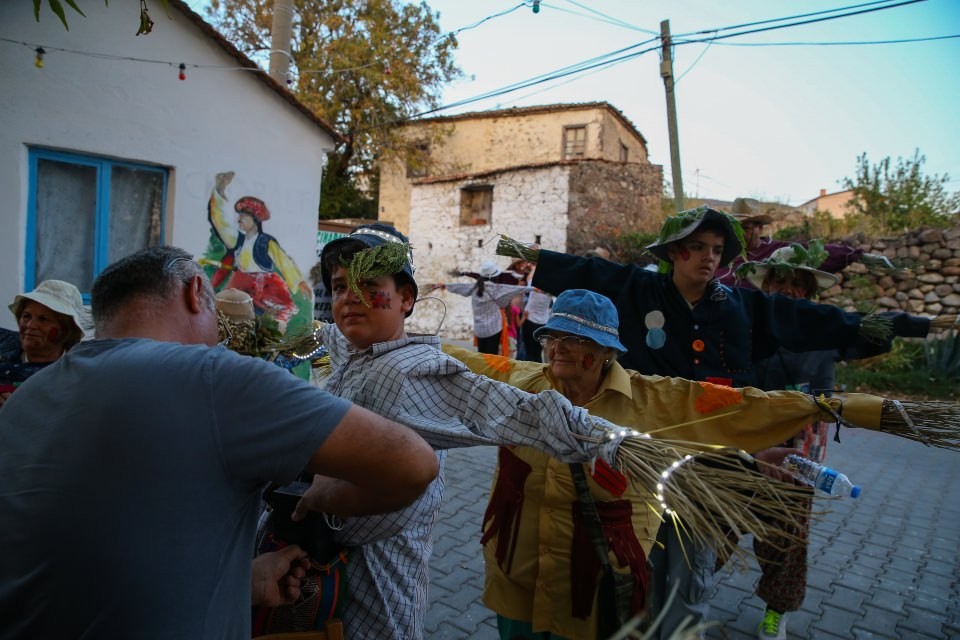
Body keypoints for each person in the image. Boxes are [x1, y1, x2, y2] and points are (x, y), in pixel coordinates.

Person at [503, 205, 931, 637]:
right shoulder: (639, 289)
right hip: (640, 454)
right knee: (631, 559)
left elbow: (821, 321)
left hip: (712, 460)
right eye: (697, 247)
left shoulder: (739, 306)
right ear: (674, 252)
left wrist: (916, 325)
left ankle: (694, 623)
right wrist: (519, 251)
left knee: (692, 565)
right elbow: (589, 271)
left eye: (717, 249)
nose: (708, 257)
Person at [0, 245, 441, 639]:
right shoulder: (211, 377)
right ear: (196, 292)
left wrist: (241, 583)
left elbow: (97, 549)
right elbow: (412, 463)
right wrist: (326, 494)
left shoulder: (27, 399)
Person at [297, 223, 640, 640]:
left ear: (406, 299)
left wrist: (616, 441)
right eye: (339, 286)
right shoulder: (355, 352)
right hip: (322, 586)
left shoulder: (412, 371)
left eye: (368, 284)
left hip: (376, 594)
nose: (350, 296)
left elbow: (512, 409)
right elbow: (329, 336)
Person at [206, 171, 312, 324]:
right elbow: (220, 222)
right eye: (240, 215)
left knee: (271, 322)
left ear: (255, 219)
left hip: (265, 286)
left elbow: (284, 261)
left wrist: (299, 281)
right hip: (240, 284)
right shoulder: (236, 239)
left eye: (244, 215)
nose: (239, 218)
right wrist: (219, 192)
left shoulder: (266, 242)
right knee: (231, 317)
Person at [715, 197, 868, 288]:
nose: (739, 234)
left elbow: (820, 252)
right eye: (735, 228)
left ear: (759, 228)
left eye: (745, 228)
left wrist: (853, 254)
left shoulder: (779, 252)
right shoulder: (723, 255)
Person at [0, 279, 88, 407]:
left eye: (43, 319)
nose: (30, 325)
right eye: (26, 316)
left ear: (66, 329)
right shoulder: (3, 351)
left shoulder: (77, 374)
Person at [443, 260, 531, 355]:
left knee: (482, 355)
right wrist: (533, 289)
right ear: (495, 276)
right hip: (494, 330)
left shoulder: (474, 287)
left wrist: (445, 286)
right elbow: (514, 290)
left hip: (480, 330)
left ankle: (481, 369)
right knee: (492, 356)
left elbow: (459, 287)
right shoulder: (496, 289)